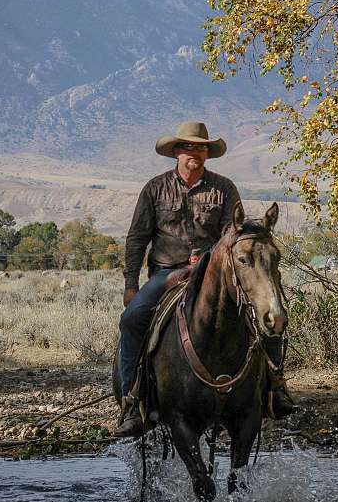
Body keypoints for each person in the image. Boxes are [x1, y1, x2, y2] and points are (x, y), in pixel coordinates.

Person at [116, 120, 297, 437]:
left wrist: (210, 257)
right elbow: (136, 239)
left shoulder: (224, 189)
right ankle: (132, 400)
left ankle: (275, 385)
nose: (194, 153)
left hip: (214, 275)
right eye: (188, 147)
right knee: (132, 319)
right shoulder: (155, 189)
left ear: (207, 153)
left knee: (267, 313)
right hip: (166, 273)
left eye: (200, 147)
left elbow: (234, 236)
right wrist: (131, 284)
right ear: (176, 151)